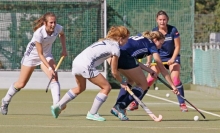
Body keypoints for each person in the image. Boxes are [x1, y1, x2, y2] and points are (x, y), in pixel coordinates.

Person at [50, 26, 130, 122]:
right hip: (86, 65)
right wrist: (122, 82)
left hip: (76, 62)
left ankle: (58, 105)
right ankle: (92, 113)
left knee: (80, 88)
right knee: (106, 87)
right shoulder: (115, 48)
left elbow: (106, 58)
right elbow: (114, 71)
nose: (127, 42)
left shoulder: (105, 41)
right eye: (127, 39)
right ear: (121, 38)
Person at [0, 12, 67, 115]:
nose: (53, 25)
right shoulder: (39, 33)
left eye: (54, 22)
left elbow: (62, 35)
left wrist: (64, 49)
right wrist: (49, 68)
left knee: (54, 77)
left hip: (47, 55)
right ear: (45, 23)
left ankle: (56, 106)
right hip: (32, 56)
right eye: (51, 23)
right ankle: (5, 100)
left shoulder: (57, 28)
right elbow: (40, 55)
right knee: (21, 84)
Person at [110, 30, 179, 121]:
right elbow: (162, 68)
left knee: (130, 80)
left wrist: (150, 70)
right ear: (155, 40)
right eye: (161, 43)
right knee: (143, 85)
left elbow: (134, 60)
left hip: (116, 56)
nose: (160, 46)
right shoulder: (151, 45)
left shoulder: (142, 40)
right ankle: (120, 107)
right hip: (124, 57)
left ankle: (118, 107)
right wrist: (173, 86)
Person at [127, 10, 188, 112]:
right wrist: (149, 61)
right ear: (157, 20)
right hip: (159, 58)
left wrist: (173, 59)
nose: (162, 22)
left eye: (164, 20)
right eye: (160, 20)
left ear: (167, 20)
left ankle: (182, 104)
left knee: (175, 79)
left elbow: (177, 46)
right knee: (149, 80)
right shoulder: (154, 31)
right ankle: (136, 102)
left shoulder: (173, 30)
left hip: (173, 57)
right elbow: (150, 48)